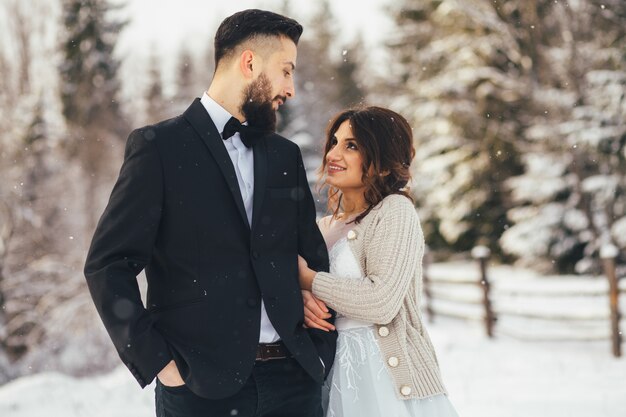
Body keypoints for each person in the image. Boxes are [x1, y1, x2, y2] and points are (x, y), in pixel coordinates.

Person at [84, 9, 337, 417]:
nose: (290, 88)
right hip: (198, 389)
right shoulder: (159, 148)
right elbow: (108, 265)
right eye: (286, 71)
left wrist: (317, 347)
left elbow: (310, 255)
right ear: (249, 62)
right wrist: (161, 365)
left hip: (295, 383)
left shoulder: (284, 155)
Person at [298, 106, 459, 416]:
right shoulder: (320, 227)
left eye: (351, 146)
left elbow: (381, 301)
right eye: (334, 141)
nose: (333, 153)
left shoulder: (395, 212)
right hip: (332, 374)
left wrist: (309, 281)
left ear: (384, 163)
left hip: (386, 376)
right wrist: (304, 298)